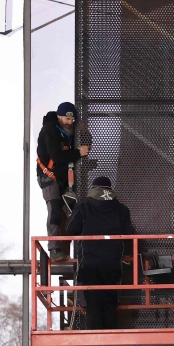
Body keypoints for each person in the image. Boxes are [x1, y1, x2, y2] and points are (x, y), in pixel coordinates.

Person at [66, 176, 134, 330]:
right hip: (113, 263)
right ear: (110, 189)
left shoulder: (84, 207)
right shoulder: (122, 209)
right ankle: (111, 342)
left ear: (93, 188)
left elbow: (71, 229)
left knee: (92, 303)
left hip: (90, 264)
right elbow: (129, 235)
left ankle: (95, 342)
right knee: (110, 303)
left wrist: (72, 213)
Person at [36, 102, 91, 259]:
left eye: (72, 120)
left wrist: (84, 131)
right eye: (66, 119)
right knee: (54, 210)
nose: (69, 122)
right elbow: (57, 156)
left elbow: (86, 146)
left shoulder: (72, 130)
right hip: (49, 176)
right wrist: (77, 153)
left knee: (74, 211)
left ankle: (82, 247)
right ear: (59, 117)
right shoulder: (49, 130)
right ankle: (54, 249)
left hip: (66, 178)